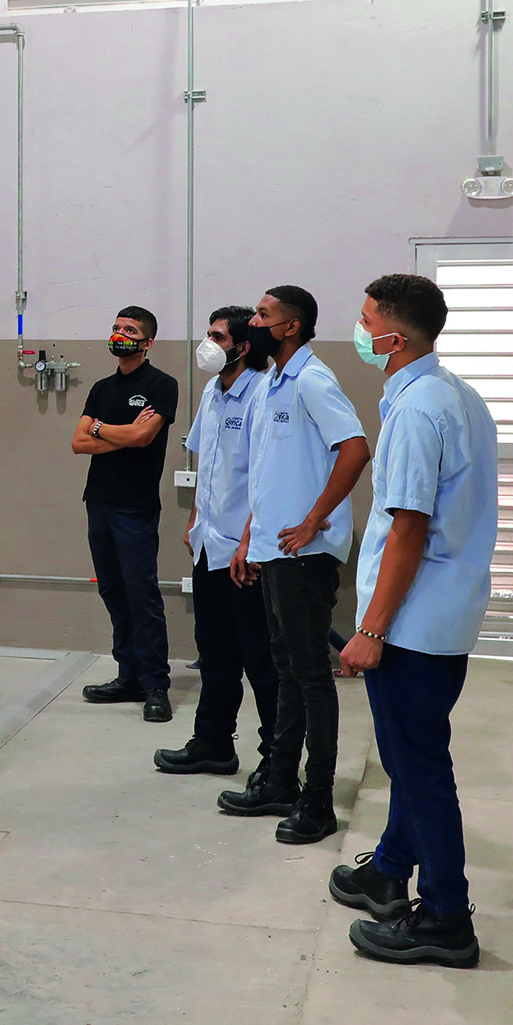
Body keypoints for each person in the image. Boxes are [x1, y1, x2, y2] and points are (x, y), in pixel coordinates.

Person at [327, 274, 498, 969]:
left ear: (394, 338)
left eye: (366, 320)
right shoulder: (456, 395)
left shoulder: (417, 410)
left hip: (411, 625)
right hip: (442, 615)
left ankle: (447, 919)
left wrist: (369, 629)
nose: (360, 329)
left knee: (419, 766)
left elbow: (407, 528)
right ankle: (390, 867)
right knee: (409, 755)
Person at [218, 285, 370, 846]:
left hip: (304, 554)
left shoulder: (312, 379)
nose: (252, 320)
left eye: (263, 314)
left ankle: (318, 800)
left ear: (290, 327)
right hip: (273, 549)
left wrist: (314, 520)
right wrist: (249, 539)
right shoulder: (271, 384)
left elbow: (354, 448)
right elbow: (269, 469)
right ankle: (280, 778)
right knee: (285, 669)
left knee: (310, 676)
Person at [154, 305, 280, 777]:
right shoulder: (212, 390)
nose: (207, 344)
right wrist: (194, 521)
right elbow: (207, 466)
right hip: (209, 543)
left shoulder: (263, 394)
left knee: (260, 658)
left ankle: (275, 758)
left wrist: (249, 542)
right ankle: (212, 742)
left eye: (217, 336)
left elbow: (266, 478)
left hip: (244, 552)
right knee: (215, 652)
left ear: (244, 346)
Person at [71, 307, 181, 721]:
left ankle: (155, 684)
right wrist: (117, 434)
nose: (120, 334)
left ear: (147, 342)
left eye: (130, 330)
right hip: (97, 501)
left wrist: (102, 430)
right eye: (116, 328)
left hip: (134, 506)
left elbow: (143, 436)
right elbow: (78, 443)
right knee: (113, 592)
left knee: (142, 595)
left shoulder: (160, 385)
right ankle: (128, 675)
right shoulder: (101, 387)